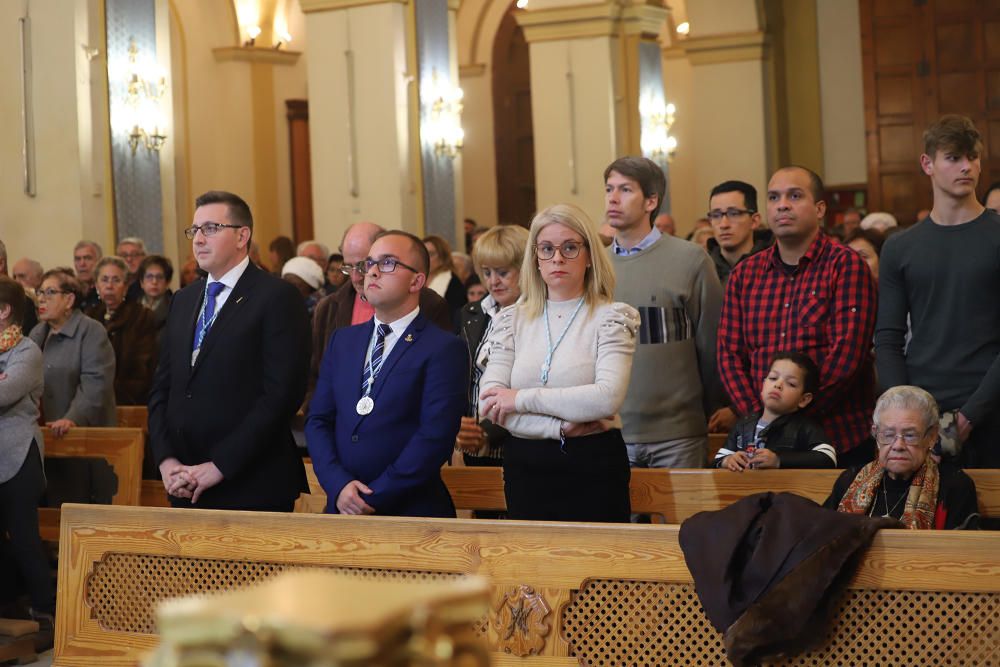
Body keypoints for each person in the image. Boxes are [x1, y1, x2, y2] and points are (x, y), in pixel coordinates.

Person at [148, 191, 310, 511]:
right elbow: (162, 388)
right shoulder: (183, 300)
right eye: (194, 230)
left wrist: (220, 466)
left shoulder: (276, 297)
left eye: (210, 228)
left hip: (250, 481)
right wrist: (167, 461)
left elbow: (281, 395)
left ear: (241, 236)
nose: (198, 239)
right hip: (184, 480)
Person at [479, 203, 640, 523]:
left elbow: (606, 397)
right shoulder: (510, 320)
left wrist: (520, 399)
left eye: (570, 248)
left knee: (597, 566)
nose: (557, 258)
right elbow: (490, 402)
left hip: (592, 463)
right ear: (535, 259)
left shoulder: (612, 316)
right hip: (525, 465)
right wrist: (559, 427)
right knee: (532, 568)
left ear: (590, 255)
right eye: (547, 249)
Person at [718, 166, 877, 467]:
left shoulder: (845, 266)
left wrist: (791, 416)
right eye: (774, 197)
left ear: (819, 209)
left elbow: (847, 357)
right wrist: (763, 417)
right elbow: (729, 356)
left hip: (836, 438)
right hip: (761, 442)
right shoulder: (745, 274)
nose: (782, 205)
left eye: (794, 196)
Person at [306, 231, 468, 517]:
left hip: (410, 511)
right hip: (342, 508)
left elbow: (434, 436)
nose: (373, 272)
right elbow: (319, 420)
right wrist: (339, 485)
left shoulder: (442, 347)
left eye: (388, 263)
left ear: (417, 280)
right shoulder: (343, 341)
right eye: (369, 263)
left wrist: (373, 497)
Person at [875, 115, 1000, 467]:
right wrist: (902, 415)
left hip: (992, 405)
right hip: (921, 412)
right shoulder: (900, 246)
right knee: (921, 519)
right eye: (954, 157)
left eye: (972, 157)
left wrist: (968, 418)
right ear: (927, 164)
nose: (967, 166)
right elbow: (888, 339)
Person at [604, 157, 723, 470]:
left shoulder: (690, 259)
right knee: (618, 521)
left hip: (677, 432)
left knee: (685, 521)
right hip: (613, 430)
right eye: (609, 189)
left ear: (651, 201)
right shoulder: (595, 267)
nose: (613, 198)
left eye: (625, 190)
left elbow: (710, 346)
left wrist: (707, 410)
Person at [309, 223, 452, 401]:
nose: (355, 277)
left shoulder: (429, 304)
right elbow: (315, 376)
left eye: (363, 265)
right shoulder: (328, 307)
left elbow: (438, 378)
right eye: (348, 267)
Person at [825, 386, 979, 529]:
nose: (898, 445)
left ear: (932, 437)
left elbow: (961, 551)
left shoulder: (954, 486)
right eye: (888, 434)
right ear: (876, 434)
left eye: (910, 435)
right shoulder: (850, 480)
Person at [0, 277, 56, 637]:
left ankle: (47, 613)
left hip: (18, 456)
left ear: (4, 311)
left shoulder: (26, 351)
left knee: (24, 539)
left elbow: (4, 394)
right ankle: (9, 607)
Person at [456, 225, 529, 470]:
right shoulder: (472, 313)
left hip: (517, 442)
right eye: (486, 272)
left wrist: (487, 431)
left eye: (502, 272)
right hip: (473, 443)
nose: (493, 282)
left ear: (526, 268)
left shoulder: (538, 316)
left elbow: (531, 384)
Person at [28, 268, 116, 435]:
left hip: (85, 436)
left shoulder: (91, 331)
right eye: (39, 292)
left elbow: (96, 383)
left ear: (69, 300)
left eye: (50, 292)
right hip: (44, 433)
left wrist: (73, 418)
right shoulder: (37, 333)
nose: (41, 299)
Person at [715, 351, 836, 471]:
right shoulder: (743, 424)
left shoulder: (805, 427)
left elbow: (828, 458)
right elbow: (717, 459)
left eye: (791, 384)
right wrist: (727, 460)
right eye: (773, 378)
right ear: (763, 385)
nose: (778, 385)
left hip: (786, 488)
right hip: (744, 488)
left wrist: (779, 460)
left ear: (804, 399)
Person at [85, 257, 158, 405]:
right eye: (104, 280)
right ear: (97, 286)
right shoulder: (89, 316)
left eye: (116, 280)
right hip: (91, 399)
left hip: (129, 399)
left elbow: (143, 367)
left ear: (125, 286)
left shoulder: (141, 316)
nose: (109, 286)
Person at [705, 180, 773, 286]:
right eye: (716, 215)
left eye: (734, 214)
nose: (724, 225)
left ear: (754, 221)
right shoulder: (703, 268)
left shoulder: (774, 264)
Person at [423, 235, 467, 313]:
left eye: (430, 254)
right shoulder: (417, 278)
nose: (425, 258)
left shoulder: (453, 282)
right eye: (423, 253)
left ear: (442, 257)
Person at [137, 254, 174, 345]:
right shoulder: (132, 308)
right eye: (149, 277)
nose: (154, 282)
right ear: (142, 282)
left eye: (159, 277)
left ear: (167, 283)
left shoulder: (174, 308)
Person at [73, 240, 103, 311]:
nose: (82, 264)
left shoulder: (106, 291)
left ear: (99, 262)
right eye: (78, 259)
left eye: (87, 258)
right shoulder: (70, 292)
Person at [116, 237, 147, 302]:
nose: (129, 259)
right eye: (124, 255)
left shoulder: (150, 285)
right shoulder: (113, 285)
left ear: (144, 257)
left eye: (134, 255)